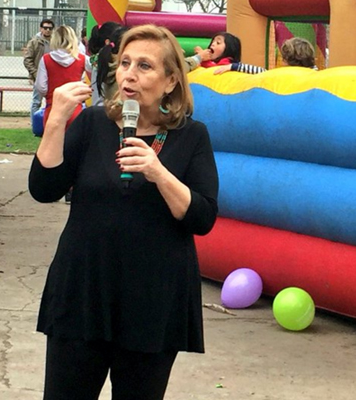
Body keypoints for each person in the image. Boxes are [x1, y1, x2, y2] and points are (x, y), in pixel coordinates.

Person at [29, 24, 219, 399]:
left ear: (170, 81)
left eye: (144, 66)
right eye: (125, 63)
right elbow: (44, 189)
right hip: (84, 289)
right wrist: (55, 121)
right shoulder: (93, 123)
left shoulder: (191, 135)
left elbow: (203, 217)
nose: (129, 74)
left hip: (153, 297)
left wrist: (158, 172)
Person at [34, 25, 90, 129]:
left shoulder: (46, 59)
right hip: (75, 109)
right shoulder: (82, 59)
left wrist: (49, 95)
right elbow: (95, 71)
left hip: (53, 108)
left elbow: (40, 87)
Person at [23, 18, 55, 125]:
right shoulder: (34, 42)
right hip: (39, 77)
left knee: (53, 102)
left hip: (53, 77)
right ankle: (35, 125)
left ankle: (50, 124)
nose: (47, 30)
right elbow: (27, 60)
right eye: (45, 28)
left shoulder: (56, 42)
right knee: (36, 102)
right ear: (41, 29)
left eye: (50, 28)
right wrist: (36, 73)